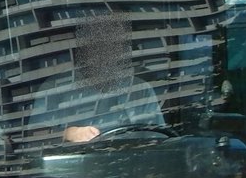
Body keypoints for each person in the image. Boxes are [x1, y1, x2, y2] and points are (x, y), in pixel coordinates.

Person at [29, 14, 164, 144]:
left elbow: (157, 137)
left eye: (114, 45)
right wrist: (69, 133)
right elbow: (34, 136)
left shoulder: (139, 88)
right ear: (83, 49)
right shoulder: (56, 87)